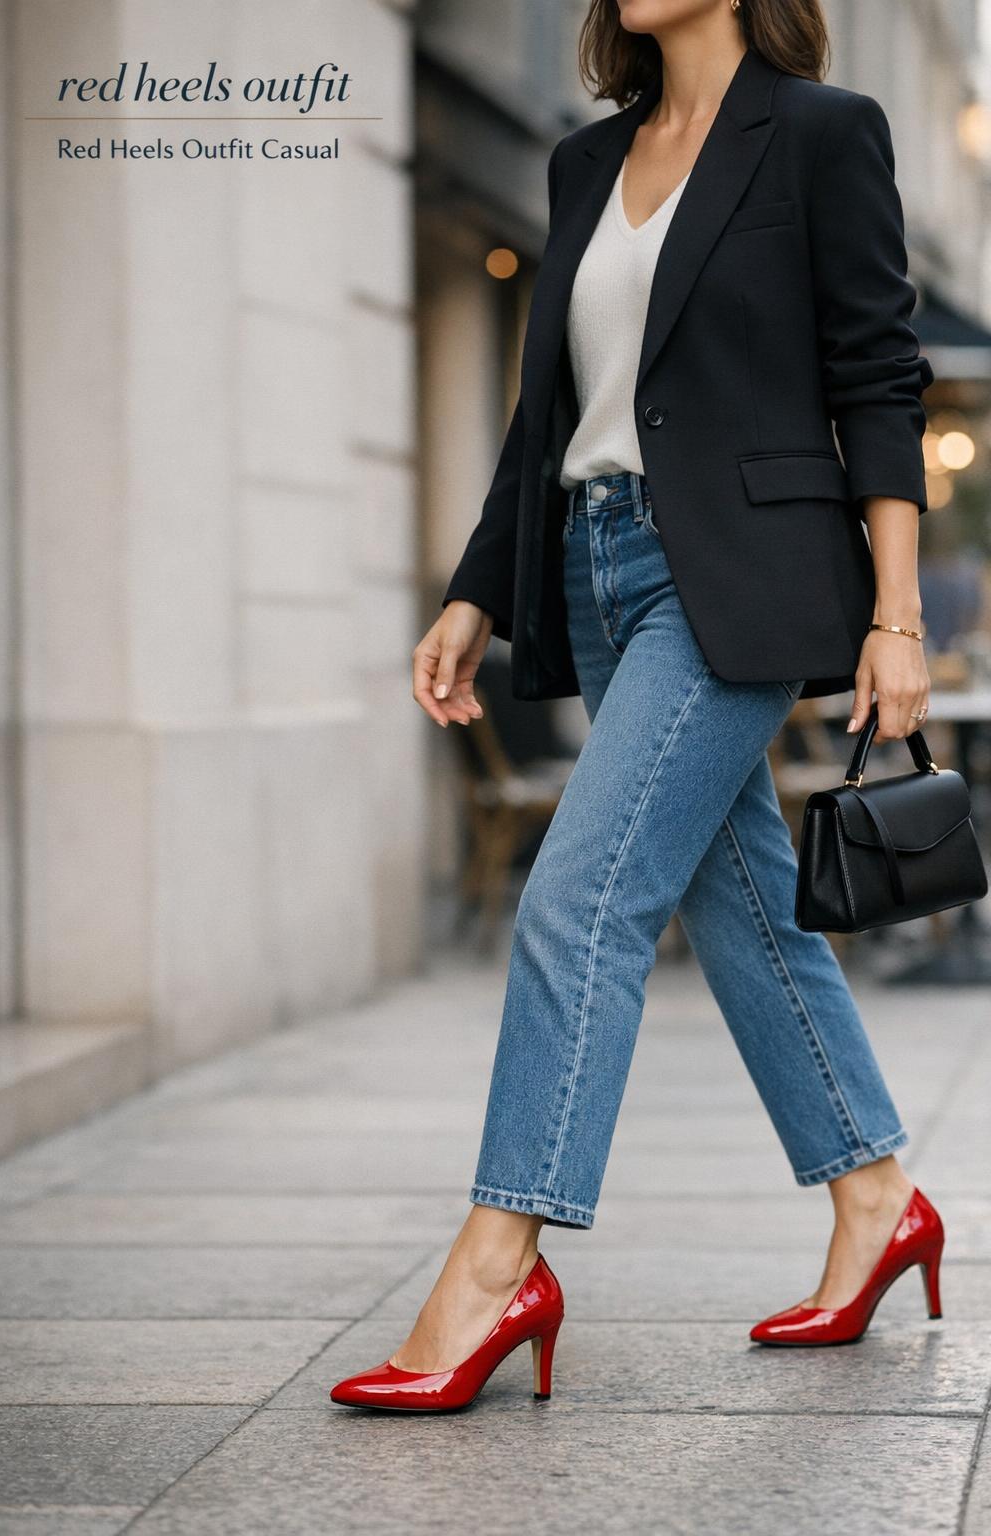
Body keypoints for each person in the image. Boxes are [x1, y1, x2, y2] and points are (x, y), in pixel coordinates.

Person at [331, 0, 945, 1412]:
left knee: (580, 901)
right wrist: (477, 589)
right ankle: (877, 1199)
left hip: (737, 570)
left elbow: (880, 378)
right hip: (596, 565)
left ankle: (501, 1265)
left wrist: (894, 612)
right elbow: (541, 412)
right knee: (740, 903)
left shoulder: (821, 136)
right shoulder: (580, 162)